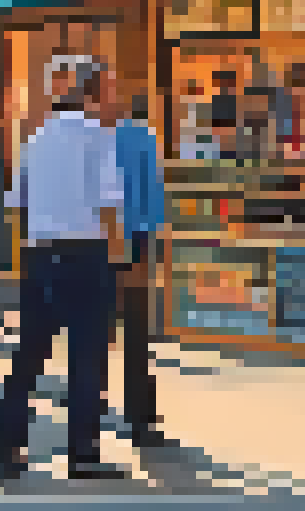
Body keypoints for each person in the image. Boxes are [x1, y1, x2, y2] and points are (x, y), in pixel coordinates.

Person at [0, 56, 128, 483]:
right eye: (108, 91)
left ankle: (9, 450)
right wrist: (118, 255)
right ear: (90, 93)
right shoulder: (100, 139)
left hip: (39, 255)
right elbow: (110, 203)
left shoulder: (35, 139)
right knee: (86, 357)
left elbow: (17, 204)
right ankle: (81, 453)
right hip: (85, 253)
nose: (114, 100)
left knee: (28, 355)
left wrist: (24, 257)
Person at [108, 87, 169, 448]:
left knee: (95, 338)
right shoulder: (142, 138)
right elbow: (153, 204)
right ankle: (140, 419)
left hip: (94, 247)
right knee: (136, 336)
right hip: (132, 245)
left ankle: (88, 419)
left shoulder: (91, 139)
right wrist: (148, 258)